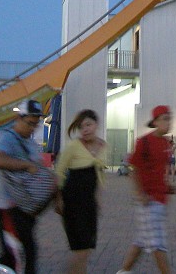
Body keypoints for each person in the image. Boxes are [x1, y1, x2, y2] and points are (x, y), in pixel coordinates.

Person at [117, 105, 176, 274]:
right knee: (158, 243)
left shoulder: (166, 143)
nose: (168, 122)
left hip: (160, 198)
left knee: (143, 240)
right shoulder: (144, 142)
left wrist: (167, 187)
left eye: (169, 118)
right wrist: (139, 193)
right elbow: (133, 169)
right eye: (165, 119)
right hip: (148, 200)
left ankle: (124, 271)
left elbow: (158, 170)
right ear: (156, 121)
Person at [0, 99, 47, 274]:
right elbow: (0, 160)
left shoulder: (30, 143)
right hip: (8, 208)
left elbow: (38, 168)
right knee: (19, 256)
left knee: (18, 254)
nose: (32, 128)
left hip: (25, 209)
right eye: (30, 123)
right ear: (19, 118)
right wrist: (26, 165)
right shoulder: (6, 137)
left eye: (36, 125)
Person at [54, 109, 107, 274]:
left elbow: (100, 173)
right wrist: (58, 199)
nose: (85, 129)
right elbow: (59, 171)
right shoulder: (73, 146)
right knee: (80, 248)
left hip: (89, 203)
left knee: (86, 248)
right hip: (72, 201)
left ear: (96, 125)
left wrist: (97, 199)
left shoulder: (103, 145)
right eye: (82, 126)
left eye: (89, 125)